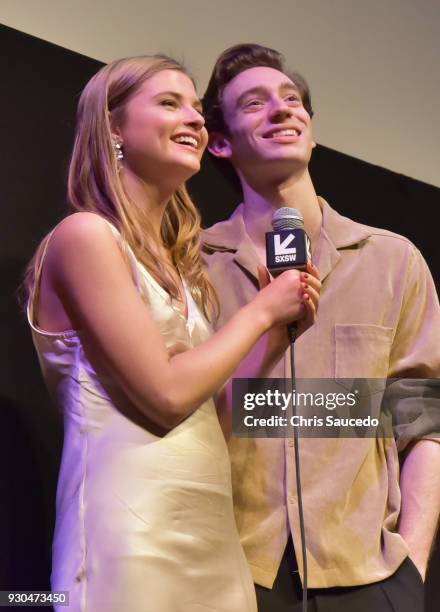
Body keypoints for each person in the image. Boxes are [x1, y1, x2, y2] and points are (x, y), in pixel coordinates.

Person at [22, 54, 321, 612]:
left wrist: (274, 334)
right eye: (169, 103)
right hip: (131, 538)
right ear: (112, 127)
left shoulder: (184, 268)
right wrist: (257, 314)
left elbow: (215, 418)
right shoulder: (84, 237)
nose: (195, 119)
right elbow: (163, 397)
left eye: (195, 107)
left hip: (211, 539)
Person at [201, 43, 440, 611]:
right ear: (219, 142)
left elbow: (431, 419)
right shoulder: (194, 267)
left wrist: (410, 565)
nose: (281, 110)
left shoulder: (391, 260)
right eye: (254, 103)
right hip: (234, 572)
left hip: (366, 574)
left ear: (312, 131)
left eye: (292, 100)